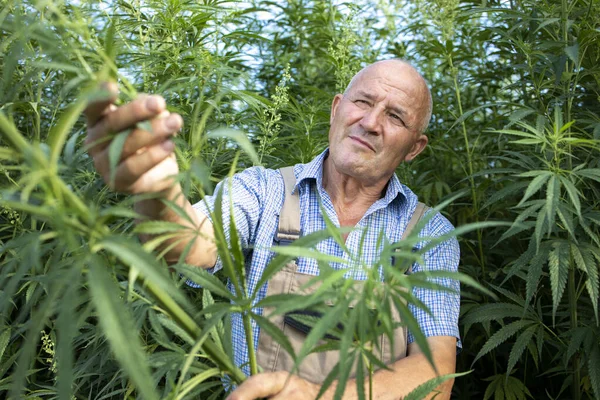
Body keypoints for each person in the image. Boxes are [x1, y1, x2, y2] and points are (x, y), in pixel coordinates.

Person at [85, 59, 460, 400]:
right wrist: (157, 191)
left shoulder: (428, 234)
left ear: (415, 147)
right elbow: (190, 244)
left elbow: (435, 376)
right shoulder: (264, 191)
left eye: (395, 117)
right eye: (363, 102)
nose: (371, 122)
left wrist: (314, 396)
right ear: (336, 109)